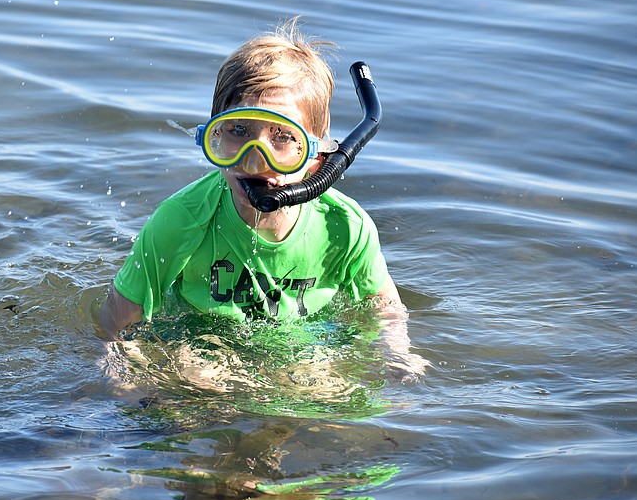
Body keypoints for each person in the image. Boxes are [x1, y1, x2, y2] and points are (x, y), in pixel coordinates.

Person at [99, 19, 426, 378]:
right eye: (239, 131)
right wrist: (124, 374)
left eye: (283, 137)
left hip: (304, 345)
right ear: (213, 137)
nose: (255, 160)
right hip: (198, 341)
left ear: (317, 156)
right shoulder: (181, 219)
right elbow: (118, 322)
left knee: (319, 384)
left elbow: (385, 308)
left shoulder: (346, 227)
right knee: (202, 375)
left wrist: (397, 356)